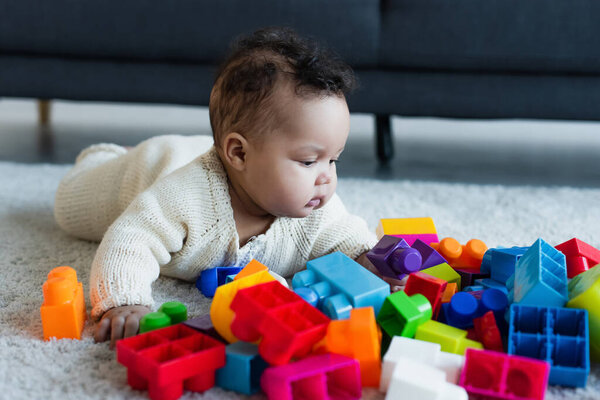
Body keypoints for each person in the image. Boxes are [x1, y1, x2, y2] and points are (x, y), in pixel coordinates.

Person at [54, 27, 378, 348]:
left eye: (333, 160)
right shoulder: (183, 199)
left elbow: (347, 236)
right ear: (239, 152)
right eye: (309, 161)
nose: (326, 178)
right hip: (154, 166)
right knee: (69, 207)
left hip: (212, 154)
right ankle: (106, 155)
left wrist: (374, 260)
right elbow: (130, 240)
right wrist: (124, 301)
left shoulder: (314, 205)